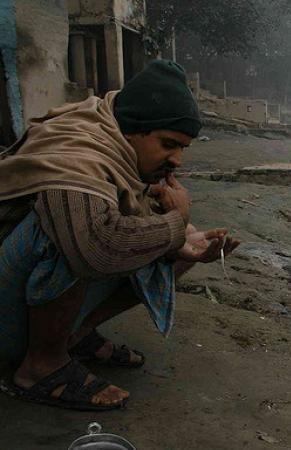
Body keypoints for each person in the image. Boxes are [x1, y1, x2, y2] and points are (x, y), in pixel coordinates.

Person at [0, 60, 239, 411]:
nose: (178, 161)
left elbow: (140, 233)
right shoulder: (76, 154)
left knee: (161, 235)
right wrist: (175, 223)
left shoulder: (117, 149)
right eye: (169, 144)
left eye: (183, 148)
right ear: (131, 130)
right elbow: (94, 248)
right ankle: (41, 366)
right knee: (74, 229)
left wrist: (182, 245)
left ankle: (72, 337)